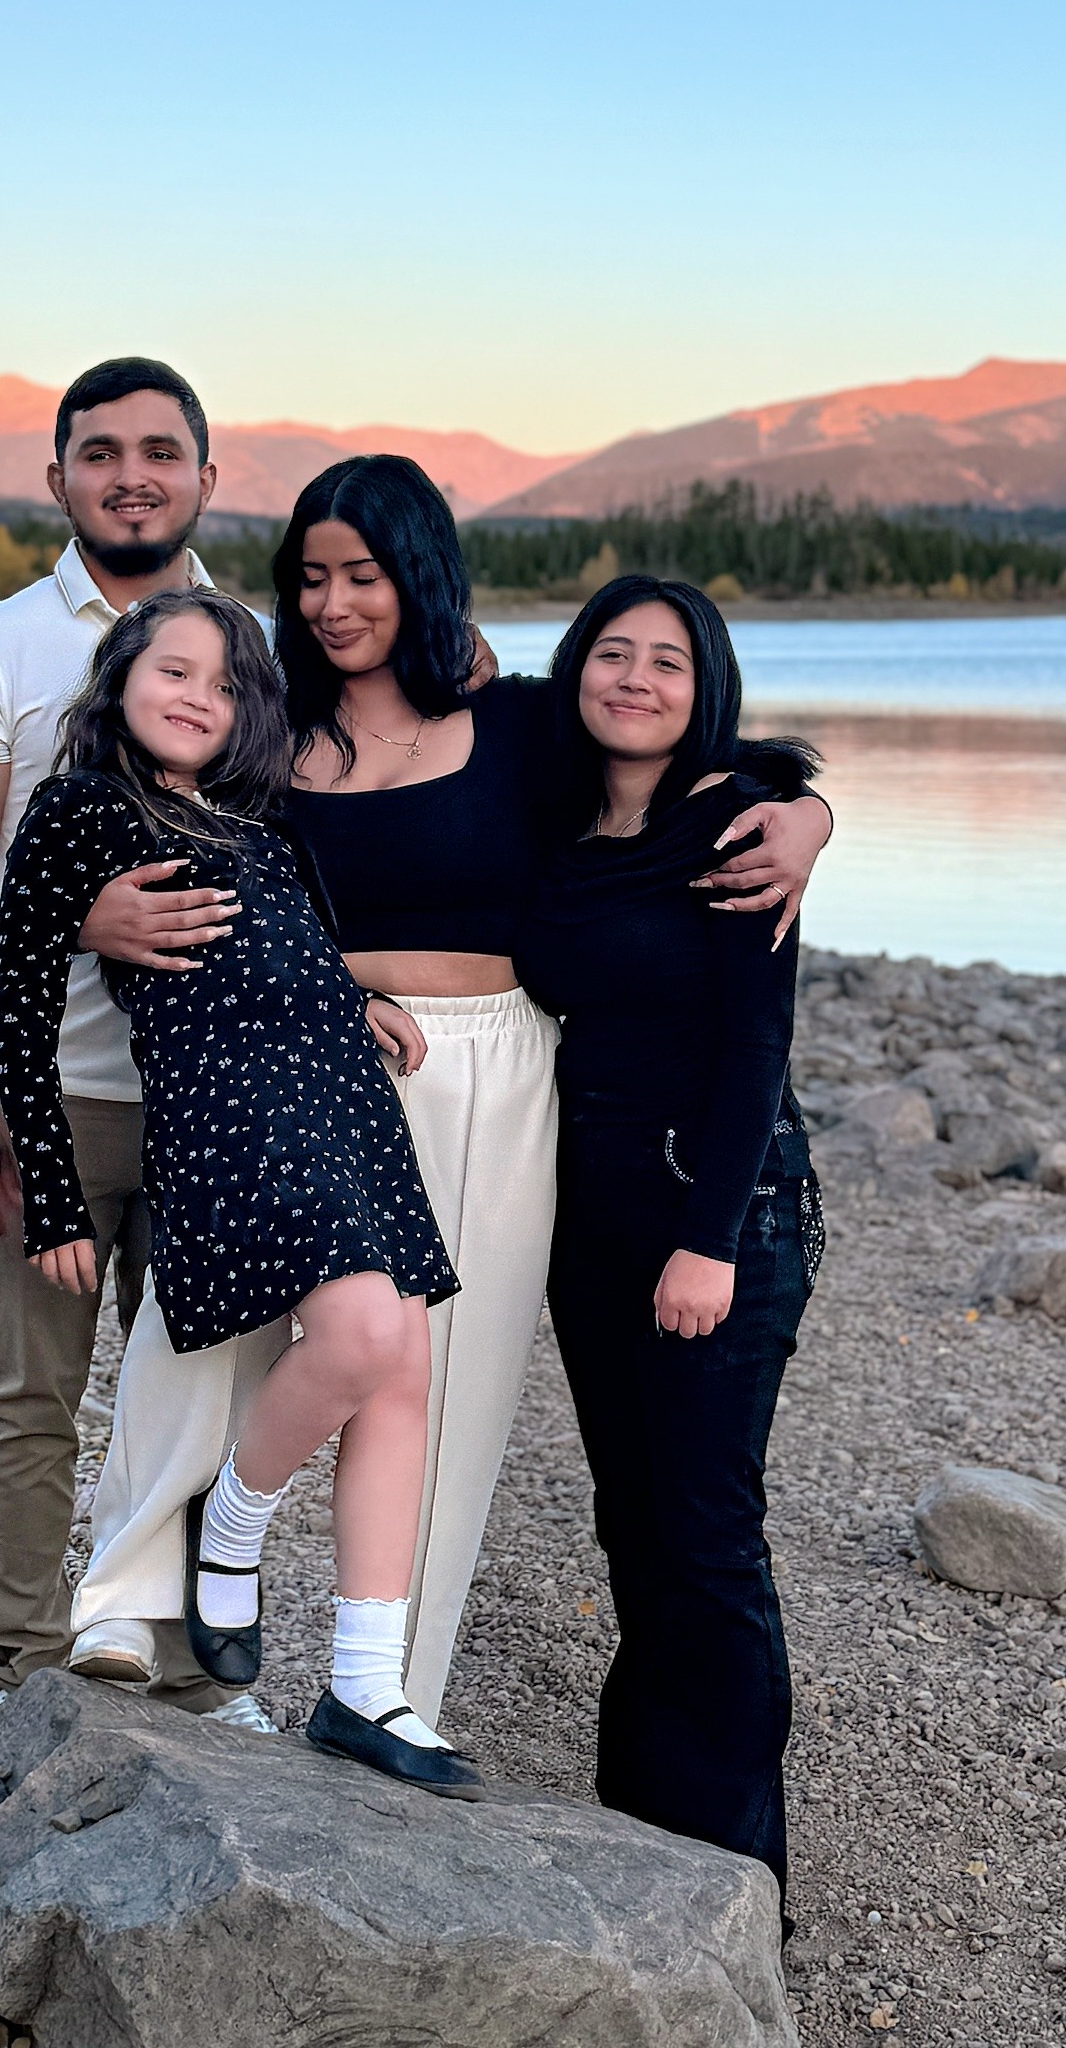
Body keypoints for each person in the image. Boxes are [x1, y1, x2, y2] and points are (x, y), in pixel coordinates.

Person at [81, 452, 835, 1727]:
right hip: (299, 1056)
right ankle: (135, 1620)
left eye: (362, 575)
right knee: (203, 1331)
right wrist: (95, 910)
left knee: (444, 1381)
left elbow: (698, 764)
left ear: (417, 576)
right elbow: (146, 810)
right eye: (310, 577)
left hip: (489, 1070)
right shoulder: (265, 725)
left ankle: (382, 1689)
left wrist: (809, 814)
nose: (331, 603)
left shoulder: (528, 723)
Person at [0, 587, 481, 1796]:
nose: (197, 696)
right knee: (361, 1334)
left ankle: (368, 1685)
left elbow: (297, 945)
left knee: (400, 1361)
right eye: (174, 670)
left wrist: (353, 1003)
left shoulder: (258, 825)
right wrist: (53, 1201)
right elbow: (20, 999)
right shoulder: (79, 809)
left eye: (224, 683)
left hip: (344, 1101)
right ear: (119, 679)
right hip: (230, 1118)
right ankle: (232, 1525)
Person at [0, 353, 272, 1724]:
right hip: (46, 1093)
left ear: (205, 478)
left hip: (209, 1098)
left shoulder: (250, 652)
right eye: (101, 452)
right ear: (58, 477)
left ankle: (182, 1664)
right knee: (32, 1396)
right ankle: (20, 1662)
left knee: (198, 1396)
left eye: (159, 451)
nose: (132, 475)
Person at [513, 575, 826, 1911]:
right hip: (594, 1226)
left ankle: (738, 1862)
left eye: (670, 663)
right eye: (614, 654)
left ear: (707, 693)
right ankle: (646, 1815)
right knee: (630, 1522)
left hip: (721, 1216)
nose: (636, 678)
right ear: (576, 669)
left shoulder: (737, 826)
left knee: (704, 1531)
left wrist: (707, 1244)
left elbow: (758, 1046)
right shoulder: (561, 826)